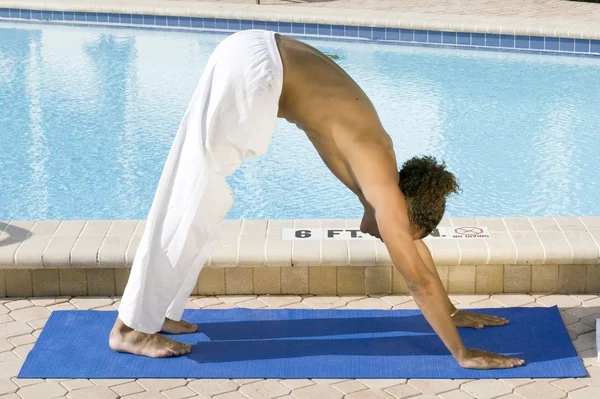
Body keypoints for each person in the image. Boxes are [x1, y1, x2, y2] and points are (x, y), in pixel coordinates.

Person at [109, 29, 525, 370]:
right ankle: (129, 329)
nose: (389, 239)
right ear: (403, 208)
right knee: (195, 196)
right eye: (397, 231)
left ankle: (154, 312)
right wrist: (461, 352)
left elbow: (416, 251)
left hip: (256, 51)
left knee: (199, 195)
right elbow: (416, 277)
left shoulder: (379, 170)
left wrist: (452, 312)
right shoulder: (380, 183)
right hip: (257, 70)